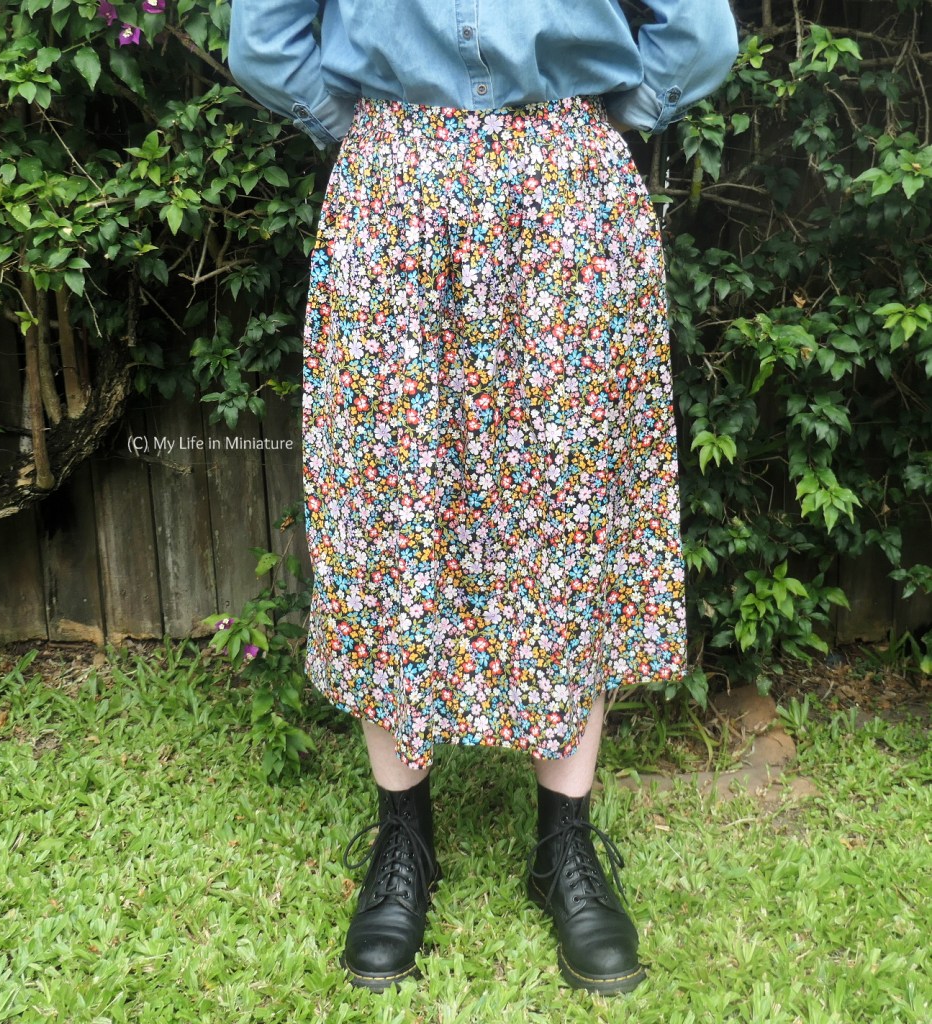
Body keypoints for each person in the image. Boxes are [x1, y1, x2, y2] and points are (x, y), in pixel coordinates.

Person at [228, 0, 739, 995]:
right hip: (395, 199)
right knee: (384, 505)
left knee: (578, 507)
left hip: (567, 202)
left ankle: (566, 844)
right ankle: (403, 838)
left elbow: (701, 33)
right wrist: (379, 132)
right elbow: (265, 39)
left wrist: (591, 121)